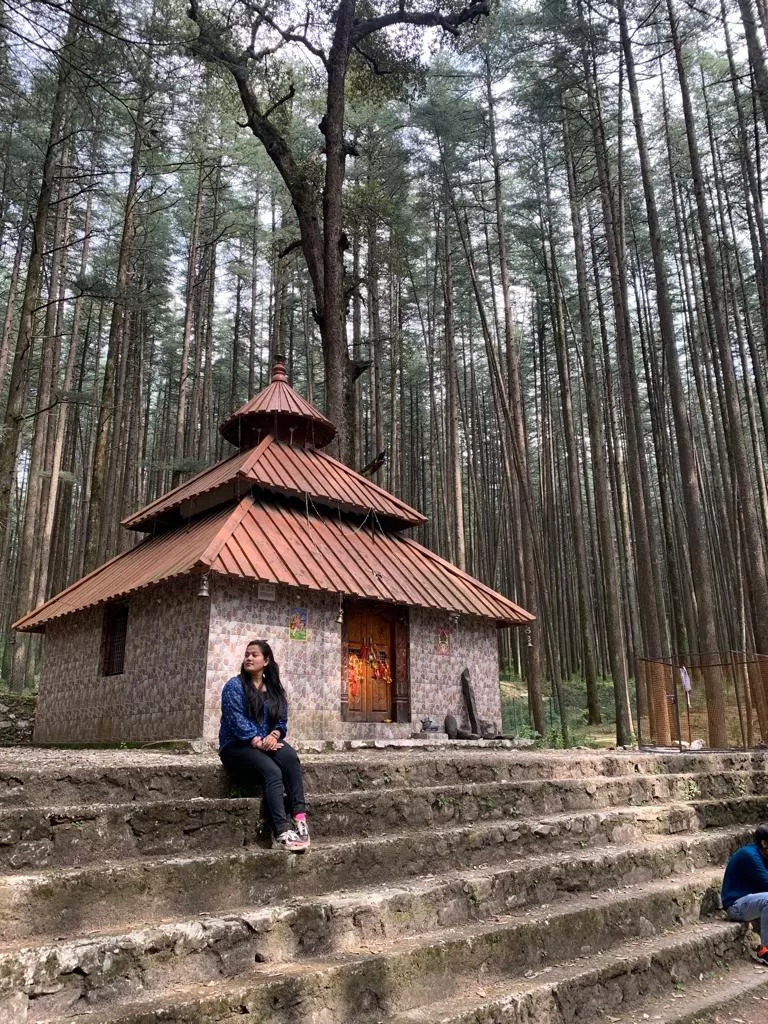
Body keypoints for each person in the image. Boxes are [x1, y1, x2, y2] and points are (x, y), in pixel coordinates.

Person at [219, 639, 309, 852]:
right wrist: (258, 741)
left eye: (254, 655)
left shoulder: (275, 689)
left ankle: (299, 817)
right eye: (247, 655)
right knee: (272, 771)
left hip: (266, 742)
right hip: (237, 745)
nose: (249, 658)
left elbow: (281, 720)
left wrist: (275, 735)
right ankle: (281, 831)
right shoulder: (234, 686)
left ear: (266, 661)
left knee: (290, 758)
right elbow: (235, 720)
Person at [721, 822, 768, 963]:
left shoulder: (763, 855)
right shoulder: (750, 856)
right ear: (765, 843)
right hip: (736, 906)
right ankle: (765, 950)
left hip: (752, 901)